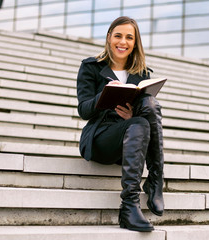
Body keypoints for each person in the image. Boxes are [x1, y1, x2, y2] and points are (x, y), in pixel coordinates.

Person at [76, 16, 164, 232]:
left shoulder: (142, 74)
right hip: (100, 137)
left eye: (129, 37)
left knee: (149, 108)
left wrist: (131, 116)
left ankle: (144, 190)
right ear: (108, 38)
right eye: (118, 36)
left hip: (130, 136)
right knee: (140, 122)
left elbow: (144, 114)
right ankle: (147, 189)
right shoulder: (91, 67)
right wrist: (105, 94)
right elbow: (83, 110)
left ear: (135, 43)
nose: (122, 42)